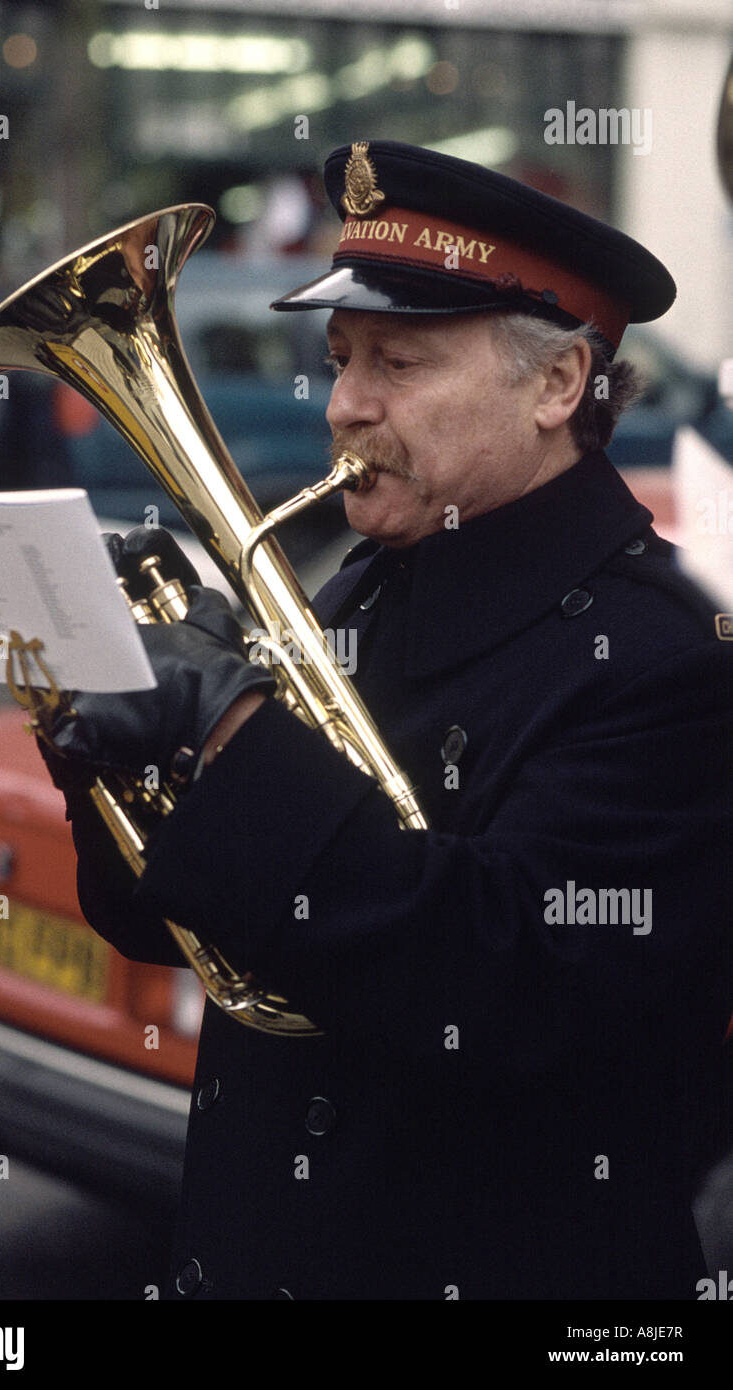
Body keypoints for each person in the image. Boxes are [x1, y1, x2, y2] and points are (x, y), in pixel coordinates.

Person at [44, 141, 731, 1300]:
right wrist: (107, 744)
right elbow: (178, 928)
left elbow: (503, 981)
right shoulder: (358, 588)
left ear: (557, 385)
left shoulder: (669, 657)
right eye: (339, 358)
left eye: (398, 361)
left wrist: (227, 737)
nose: (346, 405)